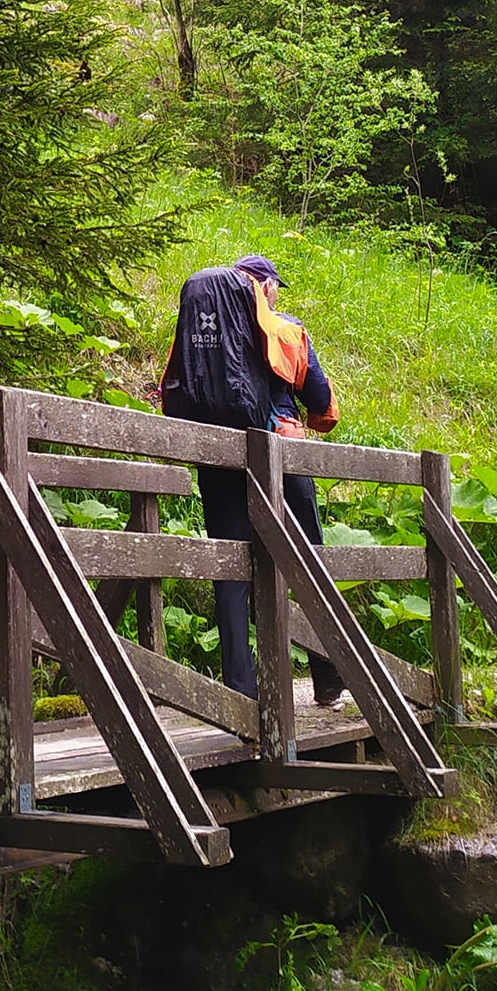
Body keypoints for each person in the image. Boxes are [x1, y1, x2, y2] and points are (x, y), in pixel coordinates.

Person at [158, 255, 345, 705]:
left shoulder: (200, 332)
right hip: (279, 454)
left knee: (230, 570)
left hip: (218, 459)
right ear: (263, 286)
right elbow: (320, 403)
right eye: (277, 285)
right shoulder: (285, 330)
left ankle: (240, 692)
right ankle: (328, 680)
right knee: (308, 565)